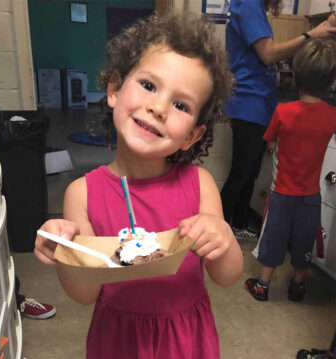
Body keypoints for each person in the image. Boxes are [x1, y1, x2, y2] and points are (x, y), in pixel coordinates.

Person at [34, 12, 243, 359]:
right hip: (118, 341)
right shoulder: (81, 195)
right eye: (148, 85)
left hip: (185, 338)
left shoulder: (200, 185)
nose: (158, 107)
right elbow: (85, 294)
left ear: (192, 135)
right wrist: (65, 252)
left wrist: (222, 237)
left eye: (180, 104)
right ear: (114, 89)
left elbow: (227, 276)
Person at [220, 0, 336, 241]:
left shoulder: (253, 7)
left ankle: (239, 223)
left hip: (257, 103)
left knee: (249, 172)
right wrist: (312, 34)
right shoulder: (248, 3)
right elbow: (268, 54)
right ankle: (219, 228)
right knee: (241, 173)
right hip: (250, 102)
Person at [244, 38, 336, 302]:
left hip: (283, 193)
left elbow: (270, 142)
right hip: (311, 196)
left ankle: (262, 285)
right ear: (330, 82)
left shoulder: (282, 112)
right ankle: (298, 287)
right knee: (304, 241)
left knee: (273, 237)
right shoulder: (332, 116)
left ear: (295, 76)